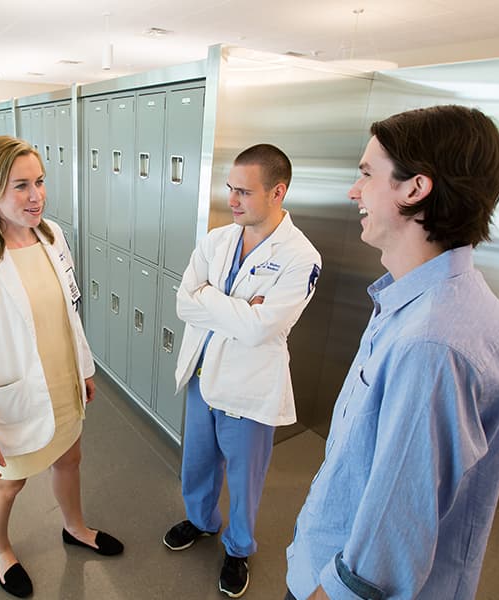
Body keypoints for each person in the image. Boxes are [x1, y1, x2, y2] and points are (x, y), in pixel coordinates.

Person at [285, 105, 499, 600]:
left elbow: (387, 546)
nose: (354, 191)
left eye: (368, 174)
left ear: (415, 188)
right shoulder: (426, 303)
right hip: (323, 556)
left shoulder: (434, 343)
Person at [0, 135, 123, 599]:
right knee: (10, 483)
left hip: (60, 378)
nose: (36, 195)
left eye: (39, 182)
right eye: (20, 185)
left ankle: (74, 527)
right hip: (15, 394)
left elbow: (68, 309)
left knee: (70, 459)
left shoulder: (52, 235)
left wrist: (83, 366)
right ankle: (0, 549)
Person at [164, 144, 321, 598]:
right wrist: (234, 307)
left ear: (277, 192)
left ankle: (238, 548)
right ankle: (201, 520)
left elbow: (259, 329)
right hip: (201, 374)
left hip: (248, 386)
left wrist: (209, 297)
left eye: (244, 192)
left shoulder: (301, 257)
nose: (232, 199)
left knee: (244, 476)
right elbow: (181, 302)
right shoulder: (217, 239)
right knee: (196, 462)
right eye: (230, 188)